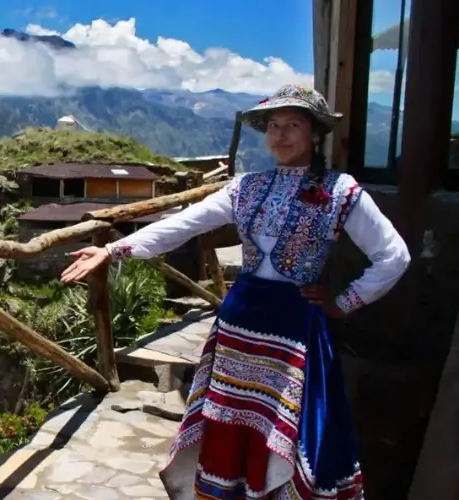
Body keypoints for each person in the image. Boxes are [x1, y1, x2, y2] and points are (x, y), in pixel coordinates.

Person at [60, 84, 410, 500]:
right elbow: (186, 223)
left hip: (293, 331)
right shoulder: (247, 187)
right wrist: (113, 249)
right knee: (231, 420)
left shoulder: (340, 191)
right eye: (273, 126)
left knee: (290, 429)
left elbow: (393, 255)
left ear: (315, 133)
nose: (280, 135)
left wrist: (343, 303)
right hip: (239, 326)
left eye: (292, 125)